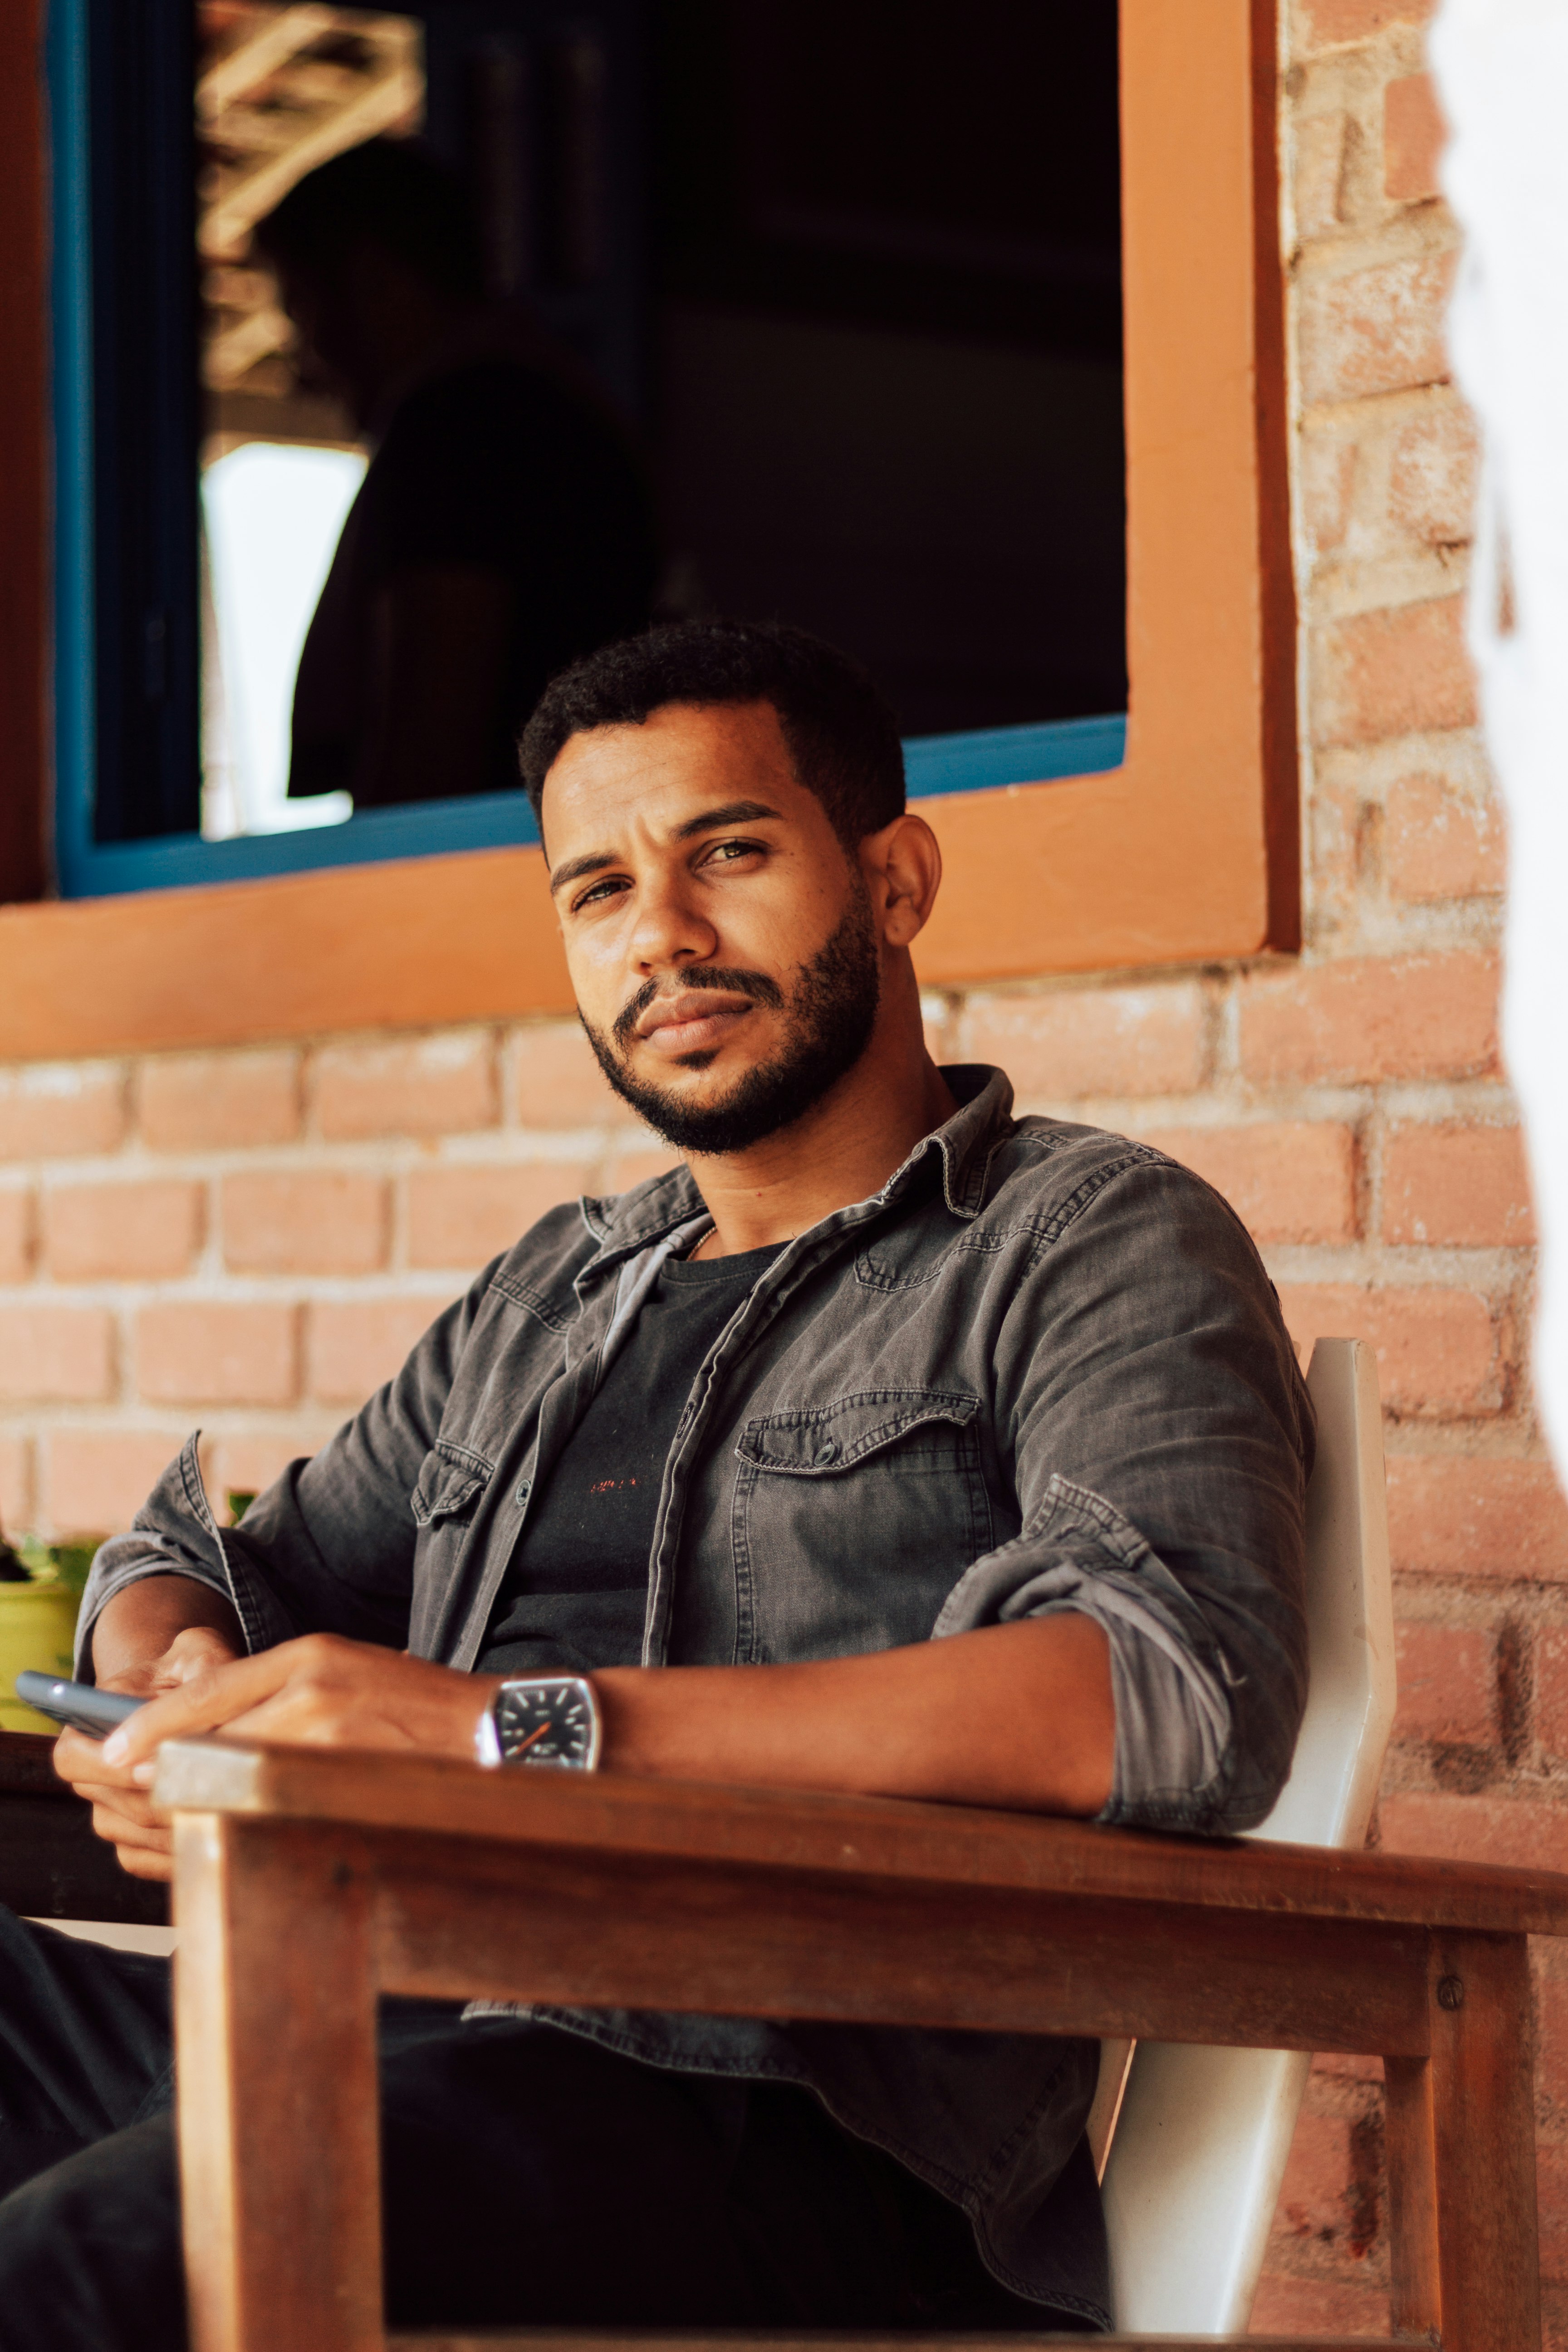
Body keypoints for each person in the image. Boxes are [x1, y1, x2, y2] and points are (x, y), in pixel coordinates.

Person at [0, 620, 1312, 2347]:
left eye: (729, 854)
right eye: (598, 889)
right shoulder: (556, 1292)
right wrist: (174, 1681)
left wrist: (508, 1728)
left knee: (67, 2270)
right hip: (380, 2002)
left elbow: (1165, 1685)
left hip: (763, 2110)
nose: (663, 936)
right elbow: (238, 1570)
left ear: (896, 876)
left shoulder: (1079, 1243)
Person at [252, 138, 658, 809]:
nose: (302, 369)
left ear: (373, 279)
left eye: (301, 312)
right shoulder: (545, 408)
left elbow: (428, 750)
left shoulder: (458, 427)